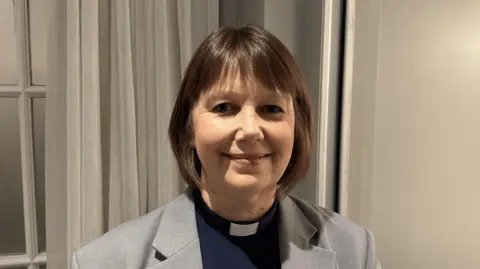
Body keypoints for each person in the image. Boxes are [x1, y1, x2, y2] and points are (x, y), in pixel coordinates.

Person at [70, 25, 381, 269]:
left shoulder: (353, 249)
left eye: (271, 109)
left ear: (296, 128)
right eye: (224, 108)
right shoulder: (106, 262)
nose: (249, 131)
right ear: (188, 127)